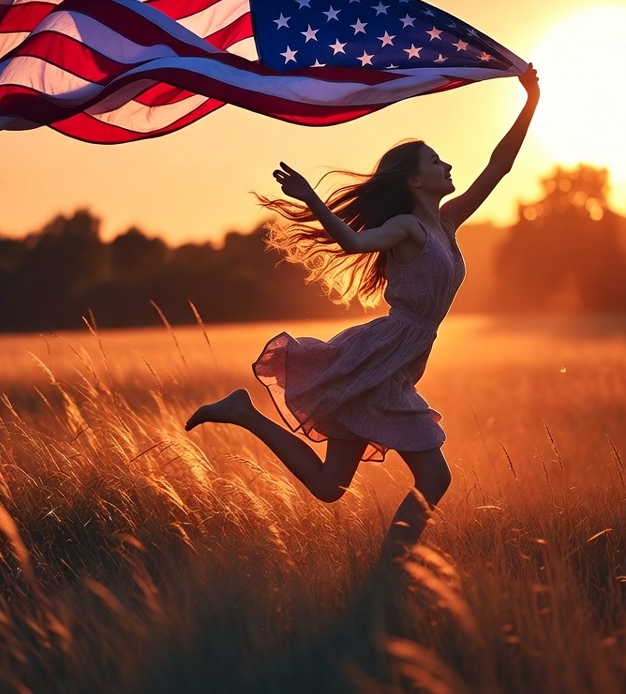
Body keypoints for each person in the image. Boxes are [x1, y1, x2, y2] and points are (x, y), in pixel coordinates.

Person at [186, 65, 541, 554]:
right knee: (435, 476)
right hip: (380, 357)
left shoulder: (447, 223)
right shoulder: (406, 228)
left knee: (330, 485)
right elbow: (353, 241)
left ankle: (243, 412)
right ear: (416, 179)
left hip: (399, 359)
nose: (448, 167)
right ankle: (391, 570)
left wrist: (530, 100)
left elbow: (498, 167)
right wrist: (312, 199)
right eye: (437, 162)